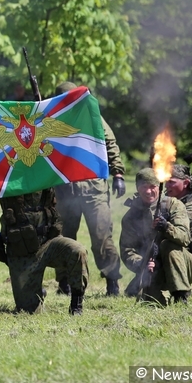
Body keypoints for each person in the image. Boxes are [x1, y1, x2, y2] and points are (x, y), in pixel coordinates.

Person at [53, 82, 125, 296]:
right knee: (63, 239)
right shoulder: (50, 120)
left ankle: (112, 281)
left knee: (102, 237)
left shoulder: (91, 116)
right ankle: (64, 282)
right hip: (64, 191)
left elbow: (109, 143)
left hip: (94, 190)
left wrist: (118, 174)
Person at [0, 189, 89, 315]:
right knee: (28, 312)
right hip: (22, 250)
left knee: (78, 251)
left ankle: (76, 304)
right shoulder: (7, 177)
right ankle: (36, 290)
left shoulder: (46, 172)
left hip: (49, 242)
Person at [119, 168, 192, 305]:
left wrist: (166, 227)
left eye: (152, 187)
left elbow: (185, 238)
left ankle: (181, 295)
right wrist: (142, 264)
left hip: (184, 264)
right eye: (144, 187)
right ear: (137, 188)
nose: (148, 191)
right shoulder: (130, 217)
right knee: (144, 297)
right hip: (153, 267)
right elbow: (127, 251)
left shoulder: (174, 205)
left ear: (158, 187)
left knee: (168, 245)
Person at [165, 164, 192, 273]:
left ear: (185, 183)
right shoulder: (167, 200)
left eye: (171, 182)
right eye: (166, 181)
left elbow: (178, 227)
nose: (167, 186)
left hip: (187, 254)